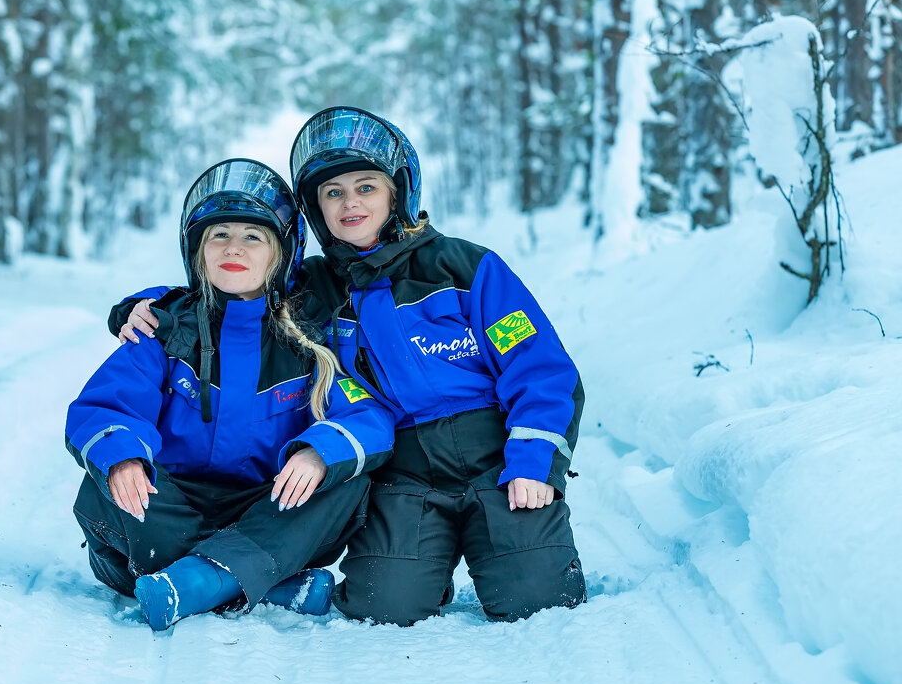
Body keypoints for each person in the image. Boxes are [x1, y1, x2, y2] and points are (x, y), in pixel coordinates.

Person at [118, 108, 587, 626]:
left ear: (396, 192)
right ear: (318, 209)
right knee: (382, 607)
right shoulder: (315, 286)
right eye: (333, 193)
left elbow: (539, 368)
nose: (351, 203)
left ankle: (504, 545)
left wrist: (535, 460)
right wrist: (147, 305)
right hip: (403, 472)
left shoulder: (465, 268)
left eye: (366, 187)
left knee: (538, 602)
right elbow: (235, 281)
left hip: (495, 457)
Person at [66, 158, 393, 631]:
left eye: (252, 237)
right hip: (173, 503)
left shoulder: (307, 337)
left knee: (348, 480)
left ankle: (200, 580)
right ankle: (266, 582)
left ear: (279, 255)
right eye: (219, 235)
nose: (233, 248)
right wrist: (123, 458)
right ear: (197, 250)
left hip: (266, 506)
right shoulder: (164, 325)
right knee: (107, 480)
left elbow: (368, 416)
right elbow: (106, 405)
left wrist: (319, 453)